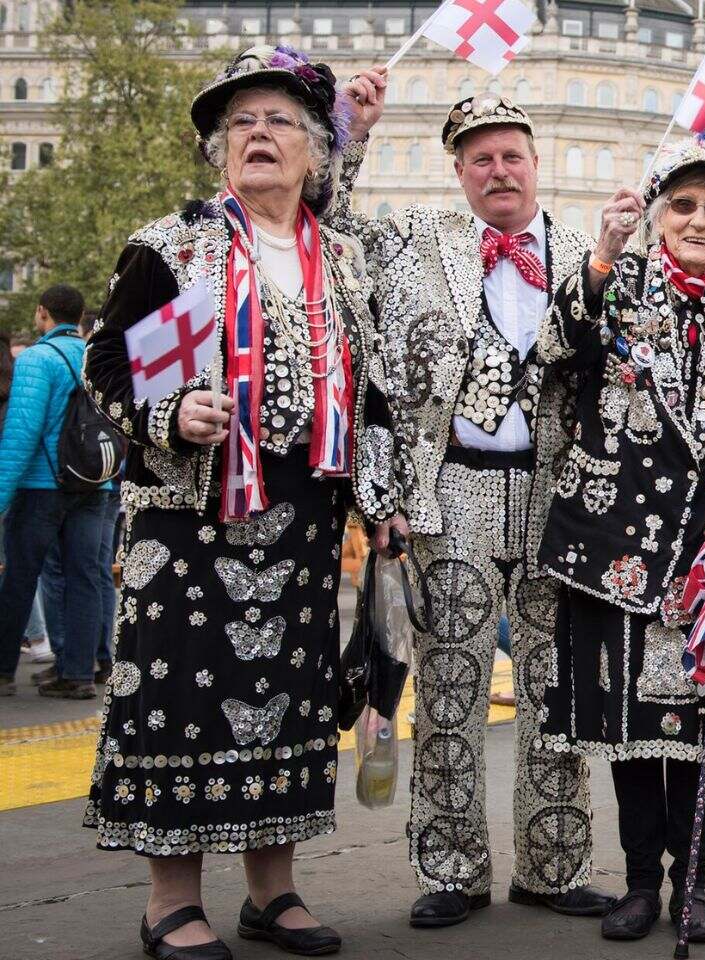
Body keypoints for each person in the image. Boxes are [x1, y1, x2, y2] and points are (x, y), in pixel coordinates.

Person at [80, 44, 400, 960]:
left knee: (290, 696)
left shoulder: (340, 257)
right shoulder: (172, 245)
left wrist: (383, 504)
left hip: (303, 515)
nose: (259, 135)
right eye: (242, 124)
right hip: (189, 515)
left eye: (280, 123)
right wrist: (171, 412)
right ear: (221, 150)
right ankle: (171, 901)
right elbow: (106, 373)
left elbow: (370, 390)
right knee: (177, 691)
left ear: (314, 151)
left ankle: (273, 890)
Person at [326, 75, 611, 929]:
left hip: (562, 496)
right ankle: (451, 866)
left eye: (511, 155)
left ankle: (553, 867)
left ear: (536, 163)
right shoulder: (415, 243)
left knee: (556, 691)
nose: (498, 171)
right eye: (480, 159)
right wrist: (350, 135)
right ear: (459, 173)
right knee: (448, 686)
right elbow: (335, 254)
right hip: (450, 490)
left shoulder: (588, 253)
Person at [534, 126, 705, 945]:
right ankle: (641, 883)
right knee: (632, 731)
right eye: (682, 204)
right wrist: (601, 254)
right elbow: (551, 351)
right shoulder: (617, 281)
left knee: (699, 729)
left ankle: (694, 886)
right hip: (615, 545)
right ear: (655, 213)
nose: (701, 220)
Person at [0, 284, 116, 700]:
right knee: (85, 577)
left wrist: (1, 494)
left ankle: (3, 672)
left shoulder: (35, 359)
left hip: (42, 487)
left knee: (19, 577)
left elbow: (22, 432)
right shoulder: (96, 357)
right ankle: (78, 674)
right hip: (93, 483)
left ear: (42, 313)